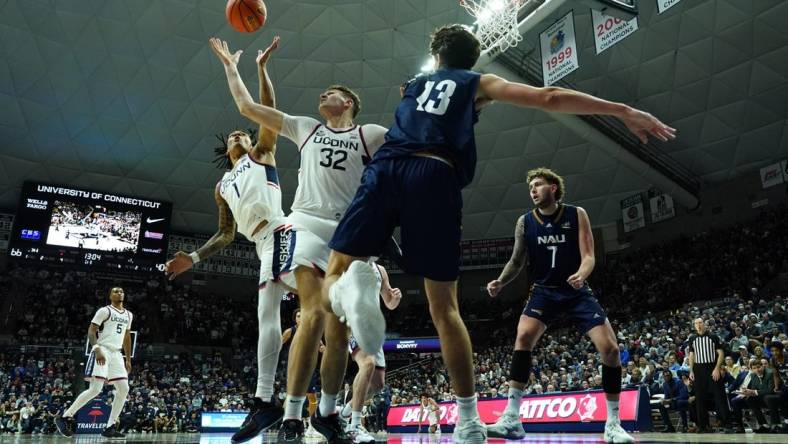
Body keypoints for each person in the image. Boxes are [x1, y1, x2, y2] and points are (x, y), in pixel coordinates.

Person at [322, 24, 674, 444]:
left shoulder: (416, 84)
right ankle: (469, 421)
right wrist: (623, 110)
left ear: (436, 54)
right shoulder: (477, 82)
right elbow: (549, 97)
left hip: (388, 166)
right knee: (444, 309)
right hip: (436, 174)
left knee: (337, 267)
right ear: (472, 61)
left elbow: (417, 103)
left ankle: (346, 293)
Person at [207, 36, 390, 444]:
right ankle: (291, 412)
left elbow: (410, 150)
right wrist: (233, 67)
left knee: (338, 331)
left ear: (349, 103)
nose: (323, 94)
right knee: (312, 313)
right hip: (303, 226)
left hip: (349, 237)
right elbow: (248, 108)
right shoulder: (305, 128)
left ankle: (326, 413)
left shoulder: (371, 135)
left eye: (333, 92)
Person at [165, 37, 297, 444]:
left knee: (277, 310)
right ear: (227, 147)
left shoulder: (263, 154)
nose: (241, 133)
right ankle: (271, 404)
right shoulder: (222, 185)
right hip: (261, 246)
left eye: (245, 131)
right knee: (269, 317)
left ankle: (265, 401)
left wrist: (259, 69)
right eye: (236, 134)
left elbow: (268, 113)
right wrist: (195, 256)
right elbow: (225, 233)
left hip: (281, 231)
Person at [485, 168, 635, 442]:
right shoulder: (524, 222)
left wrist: (582, 273)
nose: (533, 190)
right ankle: (511, 419)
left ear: (553, 188)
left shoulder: (576, 214)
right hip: (544, 291)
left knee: (611, 349)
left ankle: (613, 424)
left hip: (575, 292)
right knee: (523, 337)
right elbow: (517, 261)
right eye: (530, 186)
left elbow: (589, 255)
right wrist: (500, 281)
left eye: (538, 185)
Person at [55, 287, 133, 439]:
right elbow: (91, 331)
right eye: (116, 291)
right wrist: (97, 349)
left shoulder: (129, 315)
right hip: (102, 349)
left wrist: (128, 359)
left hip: (117, 353)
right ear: (110, 295)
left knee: (124, 388)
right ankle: (64, 417)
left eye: (122, 291)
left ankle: (109, 427)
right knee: (95, 389)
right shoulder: (104, 311)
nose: (120, 293)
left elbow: (127, 337)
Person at [342, 264, 402, 443]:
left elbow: (389, 303)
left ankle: (343, 414)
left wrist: (395, 299)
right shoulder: (347, 261)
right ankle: (354, 426)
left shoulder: (380, 269)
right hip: (352, 322)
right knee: (367, 364)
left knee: (377, 384)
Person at [687, 318, 732, 433]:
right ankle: (703, 426)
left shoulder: (713, 336)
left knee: (720, 396)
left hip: (712, 367)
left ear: (704, 324)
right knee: (700, 399)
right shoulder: (692, 338)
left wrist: (717, 368)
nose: (698, 325)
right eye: (696, 323)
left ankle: (727, 424)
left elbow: (721, 353)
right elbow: (691, 355)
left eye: (700, 323)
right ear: (694, 326)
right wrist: (691, 371)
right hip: (698, 369)